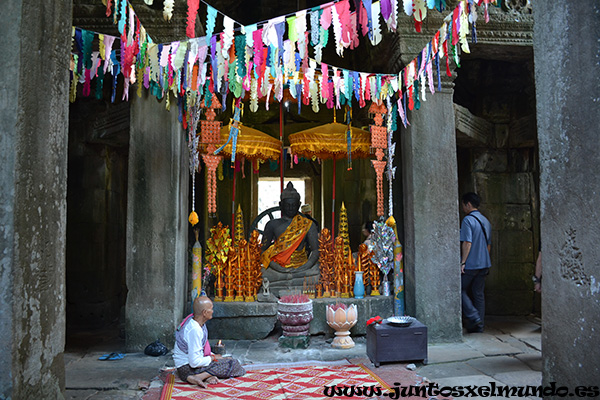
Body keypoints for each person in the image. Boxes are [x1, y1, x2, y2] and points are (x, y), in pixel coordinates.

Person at [261, 182, 320, 296]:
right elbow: (263, 251)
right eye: (287, 205)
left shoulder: (308, 224)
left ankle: (288, 278)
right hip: (278, 268)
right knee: (261, 274)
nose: (290, 208)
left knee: (319, 272)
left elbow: (315, 250)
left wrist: (305, 266)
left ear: (299, 205)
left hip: (302, 266)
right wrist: (278, 268)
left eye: (294, 205)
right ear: (280, 205)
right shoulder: (272, 224)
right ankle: (289, 278)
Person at [173, 296, 245, 387]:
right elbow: (194, 362)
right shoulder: (194, 329)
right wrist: (212, 358)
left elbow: (199, 351)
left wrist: (214, 357)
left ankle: (206, 376)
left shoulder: (197, 323)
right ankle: (199, 376)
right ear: (204, 312)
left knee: (228, 358)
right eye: (211, 309)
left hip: (190, 366)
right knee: (234, 364)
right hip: (186, 368)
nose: (213, 311)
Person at [459, 192, 492, 333]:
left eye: (463, 205)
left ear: (468, 204)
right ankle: (480, 325)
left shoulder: (467, 220)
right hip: (484, 263)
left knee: (459, 290)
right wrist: (485, 259)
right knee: (478, 293)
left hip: (471, 264)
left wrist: (463, 262)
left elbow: (467, 242)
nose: (462, 208)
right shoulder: (486, 221)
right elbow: (488, 245)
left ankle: (473, 316)